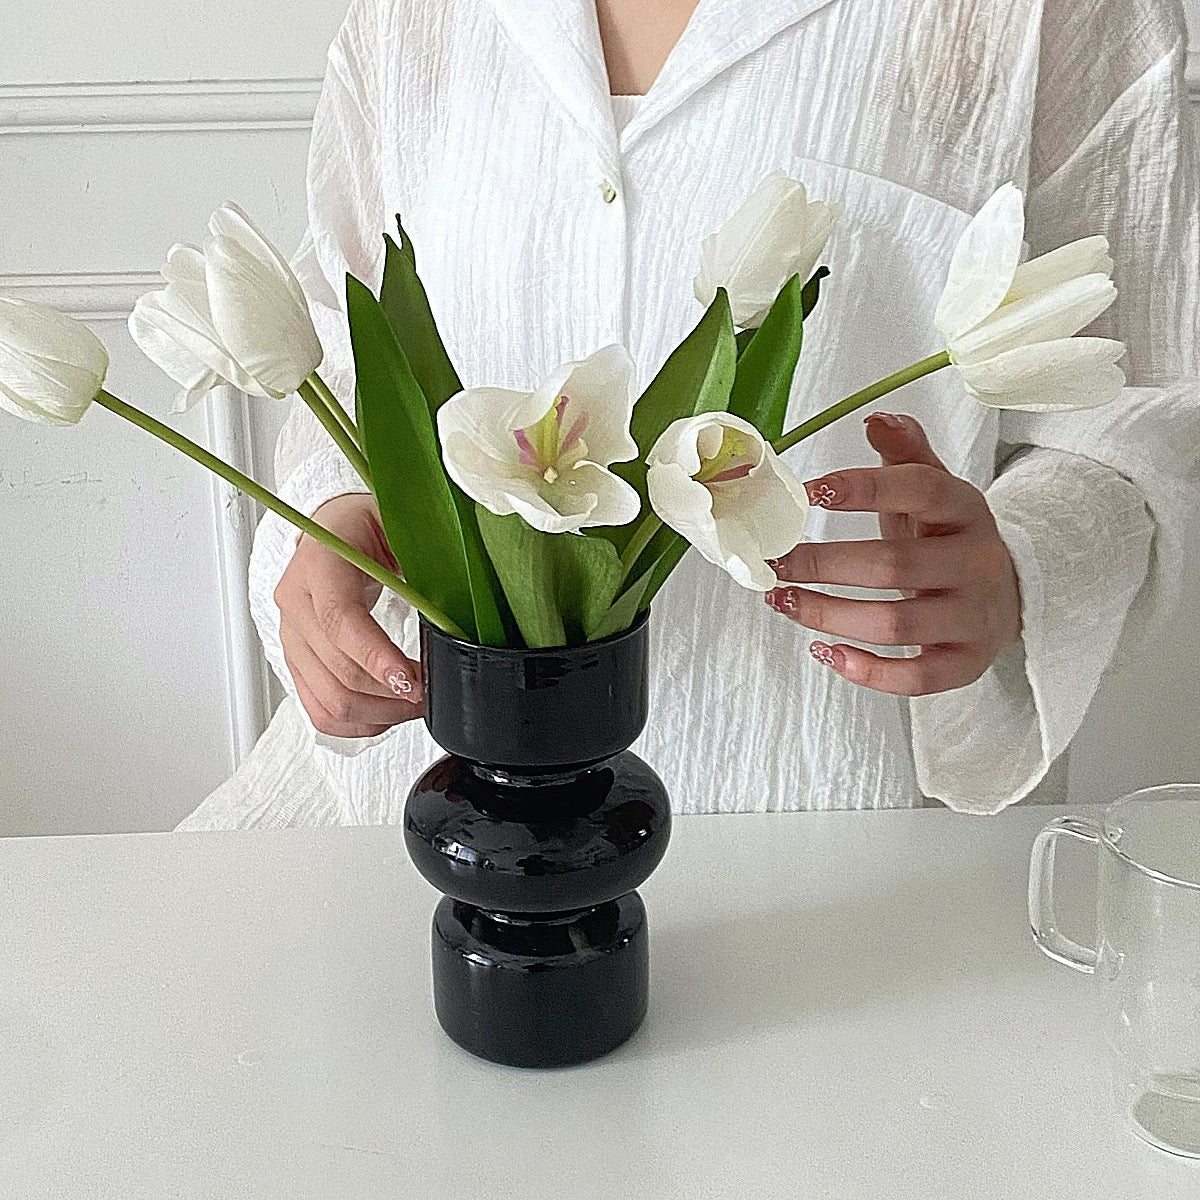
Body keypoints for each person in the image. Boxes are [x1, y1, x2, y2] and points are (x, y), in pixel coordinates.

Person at [176, 0, 1199, 830]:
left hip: (831, 851)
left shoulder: (1049, 16)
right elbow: (342, 348)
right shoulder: (415, 21)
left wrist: (1021, 565)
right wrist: (332, 522)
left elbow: (1133, 416)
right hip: (416, 817)